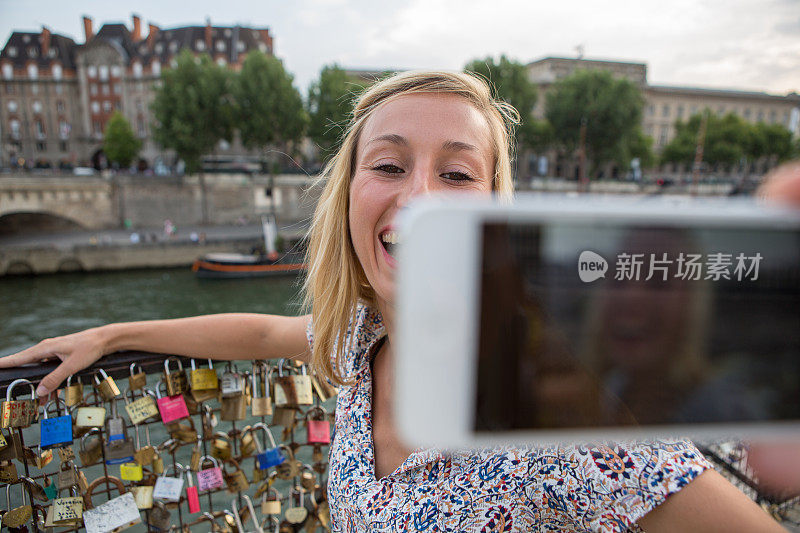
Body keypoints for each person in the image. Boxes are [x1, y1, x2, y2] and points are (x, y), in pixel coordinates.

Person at [2, 71, 791, 532]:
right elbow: (264, 330)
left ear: (491, 211)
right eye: (388, 164)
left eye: (455, 174)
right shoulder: (360, 341)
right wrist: (110, 333)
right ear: (348, 195)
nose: (418, 197)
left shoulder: (551, 402)